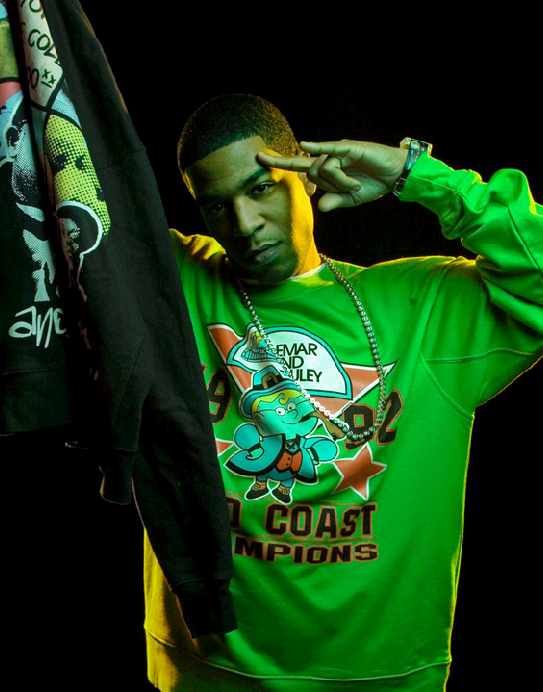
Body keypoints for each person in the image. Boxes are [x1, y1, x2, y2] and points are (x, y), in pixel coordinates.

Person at [143, 92, 542, 692]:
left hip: (377, 677)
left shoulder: (421, 305)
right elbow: (67, 197)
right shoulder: (176, 280)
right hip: (206, 672)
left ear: (304, 174)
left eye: (261, 188)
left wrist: (415, 174)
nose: (244, 225)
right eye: (216, 205)